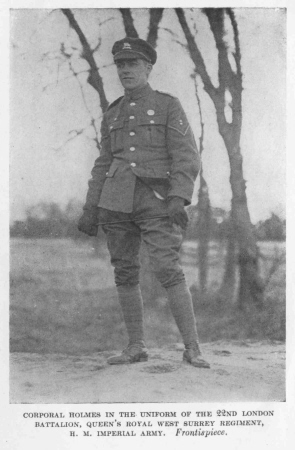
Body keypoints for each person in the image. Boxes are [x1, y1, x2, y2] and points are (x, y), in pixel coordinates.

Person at [78, 37, 210, 369]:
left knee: (167, 267)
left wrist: (179, 196)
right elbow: (103, 162)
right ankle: (135, 346)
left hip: (157, 199)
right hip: (116, 200)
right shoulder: (113, 113)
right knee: (124, 271)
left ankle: (192, 348)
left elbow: (186, 156)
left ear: (147, 68)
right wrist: (90, 207)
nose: (125, 70)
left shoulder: (168, 105)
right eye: (120, 65)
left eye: (132, 64)